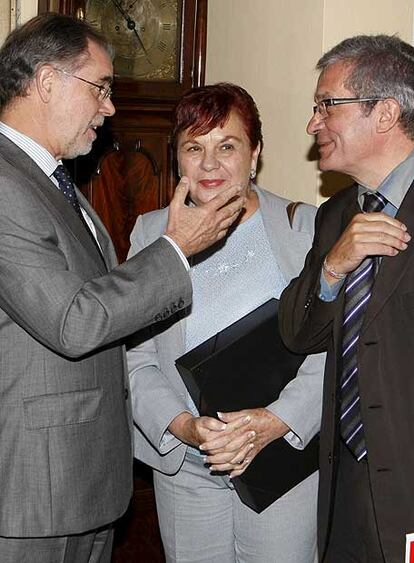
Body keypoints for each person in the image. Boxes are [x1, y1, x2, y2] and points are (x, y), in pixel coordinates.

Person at [0, 13, 244, 563]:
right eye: (101, 88)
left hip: (80, 480)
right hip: (32, 491)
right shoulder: (5, 181)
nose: (109, 108)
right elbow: (74, 322)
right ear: (46, 82)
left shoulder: (52, 179)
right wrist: (177, 249)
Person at [127, 82, 325, 563]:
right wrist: (184, 427)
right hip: (186, 469)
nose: (210, 164)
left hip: (282, 461)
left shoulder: (307, 229)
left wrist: (275, 423)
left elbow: (330, 347)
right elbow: (134, 356)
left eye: (227, 145)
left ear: (255, 152)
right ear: (177, 159)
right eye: (194, 147)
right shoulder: (151, 233)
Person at [279, 35, 414, 563]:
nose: (313, 124)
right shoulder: (335, 215)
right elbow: (298, 333)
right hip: (346, 492)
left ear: (384, 112)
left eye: (326, 106)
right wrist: (333, 266)